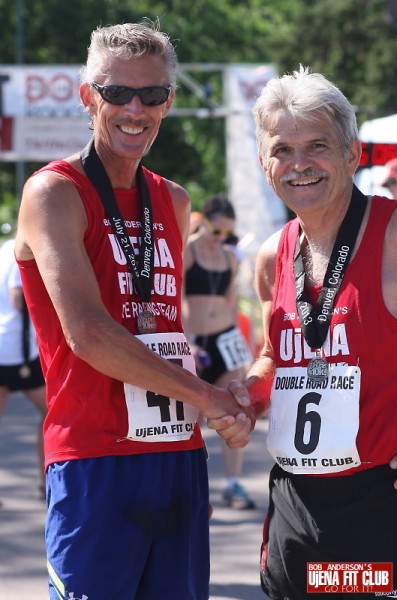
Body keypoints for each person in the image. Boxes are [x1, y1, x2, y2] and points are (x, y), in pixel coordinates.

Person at [14, 22, 254, 600]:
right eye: (117, 92)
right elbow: (90, 335)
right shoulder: (54, 193)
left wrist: (215, 412)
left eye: (152, 94)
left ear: (169, 102)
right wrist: (207, 397)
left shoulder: (174, 200)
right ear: (87, 96)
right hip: (95, 458)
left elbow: (167, 329)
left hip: (175, 458)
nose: (135, 109)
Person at [208, 65, 397, 600]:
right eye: (282, 150)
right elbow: (277, 355)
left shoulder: (394, 236)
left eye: (317, 145)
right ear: (264, 163)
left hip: (378, 502)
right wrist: (248, 397)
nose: (299, 164)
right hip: (294, 503)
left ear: (351, 153)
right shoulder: (272, 254)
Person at [183, 196, 255, 509]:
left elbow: (231, 303)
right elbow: (176, 299)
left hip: (225, 338)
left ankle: (233, 484)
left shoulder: (229, 256)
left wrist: (243, 347)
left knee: (234, 412)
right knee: (193, 417)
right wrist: (187, 340)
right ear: (204, 223)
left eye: (227, 233)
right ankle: (189, 486)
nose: (220, 238)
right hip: (194, 341)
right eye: (216, 231)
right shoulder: (187, 251)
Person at [0, 238, 47, 501]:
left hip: (10, 345)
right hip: (16, 349)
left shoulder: (6, 247)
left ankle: (45, 484)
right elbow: (17, 297)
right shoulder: (21, 247)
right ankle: (45, 483)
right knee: (52, 413)